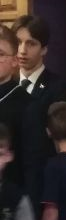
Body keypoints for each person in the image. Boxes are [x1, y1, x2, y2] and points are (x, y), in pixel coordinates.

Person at [13, 14, 66, 216]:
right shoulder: (6, 86)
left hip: (44, 187)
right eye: (18, 42)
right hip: (10, 188)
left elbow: (63, 143)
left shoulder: (60, 88)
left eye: (31, 43)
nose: (22, 50)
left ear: (44, 49)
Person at [0, 25, 29, 188]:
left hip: (11, 192)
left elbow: (31, 163)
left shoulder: (27, 104)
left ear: (14, 61)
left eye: (0, 54)